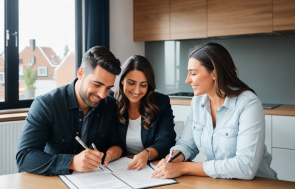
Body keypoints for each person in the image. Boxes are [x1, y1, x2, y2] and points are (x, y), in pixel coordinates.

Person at [152, 43, 277, 180]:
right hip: (222, 184)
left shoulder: (248, 104)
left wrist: (184, 167)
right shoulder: (197, 101)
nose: (187, 80)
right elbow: (187, 144)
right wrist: (174, 158)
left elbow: (245, 167)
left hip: (260, 185)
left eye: (193, 73)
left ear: (214, 73)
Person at [16, 46, 123, 176]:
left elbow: (117, 144)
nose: (102, 94)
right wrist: (72, 162)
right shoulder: (46, 104)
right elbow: (24, 158)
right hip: (54, 183)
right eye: (97, 85)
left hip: (96, 182)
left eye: (108, 88)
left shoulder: (109, 104)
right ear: (80, 73)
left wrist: (109, 155)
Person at [113, 55, 176, 171]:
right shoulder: (111, 103)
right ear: (122, 80)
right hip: (120, 168)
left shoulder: (161, 103)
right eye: (131, 83)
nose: (137, 91)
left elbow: (166, 141)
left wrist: (147, 154)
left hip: (150, 167)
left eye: (143, 85)